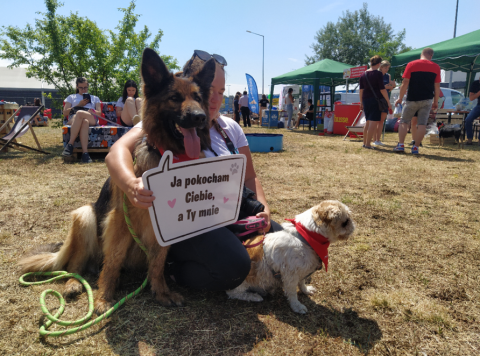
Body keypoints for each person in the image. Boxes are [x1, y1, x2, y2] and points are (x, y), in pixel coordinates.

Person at [105, 51, 281, 292]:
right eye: (212, 89)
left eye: (219, 91)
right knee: (234, 268)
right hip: (192, 221)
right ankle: (175, 271)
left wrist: (264, 207)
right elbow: (116, 152)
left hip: (228, 207)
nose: (215, 98)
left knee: (281, 240)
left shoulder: (231, 128)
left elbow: (249, 176)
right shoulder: (155, 122)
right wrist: (130, 184)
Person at [394, 47, 440, 154]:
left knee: (404, 121)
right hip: (427, 99)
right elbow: (437, 86)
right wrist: (436, 101)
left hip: (412, 98)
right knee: (422, 124)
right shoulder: (436, 67)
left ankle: (401, 145)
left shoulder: (411, 64)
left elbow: (405, 83)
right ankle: (416, 147)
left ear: (421, 54)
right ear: (431, 55)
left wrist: (400, 98)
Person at [62, 77, 102, 163]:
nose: (84, 90)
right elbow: (65, 113)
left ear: (88, 86)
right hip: (75, 117)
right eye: (81, 87)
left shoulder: (95, 98)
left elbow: (99, 113)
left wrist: (93, 111)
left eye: (85, 87)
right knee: (84, 121)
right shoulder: (71, 97)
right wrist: (78, 105)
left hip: (91, 116)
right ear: (77, 86)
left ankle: (70, 144)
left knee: (80, 113)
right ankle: (85, 154)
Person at [359, 55, 392, 149]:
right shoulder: (378, 74)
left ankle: (364, 143)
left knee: (368, 121)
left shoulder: (363, 74)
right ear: (378, 64)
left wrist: (361, 102)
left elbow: (361, 90)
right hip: (375, 100)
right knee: (373, 122)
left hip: (365, 100)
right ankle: (368, 144)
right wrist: (388, 102)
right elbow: (382, 89)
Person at [374, 60, 396, 146]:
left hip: (385, 100)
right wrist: (384, 87)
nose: (387, 69)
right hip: (376, 99)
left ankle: (378, 140)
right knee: (375, 121)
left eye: (388, 68)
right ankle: (374, 139)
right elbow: (375, 87)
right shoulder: (376, 75)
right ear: (381, 67)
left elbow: (389, 89)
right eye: (385, 67)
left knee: (381, 121)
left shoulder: (388, 76)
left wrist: (393, 86)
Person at [464, 76, 480, 145]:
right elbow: (471, 98)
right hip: (479, 106)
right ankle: (469, 140)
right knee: (468, 119)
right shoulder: (475, 84)